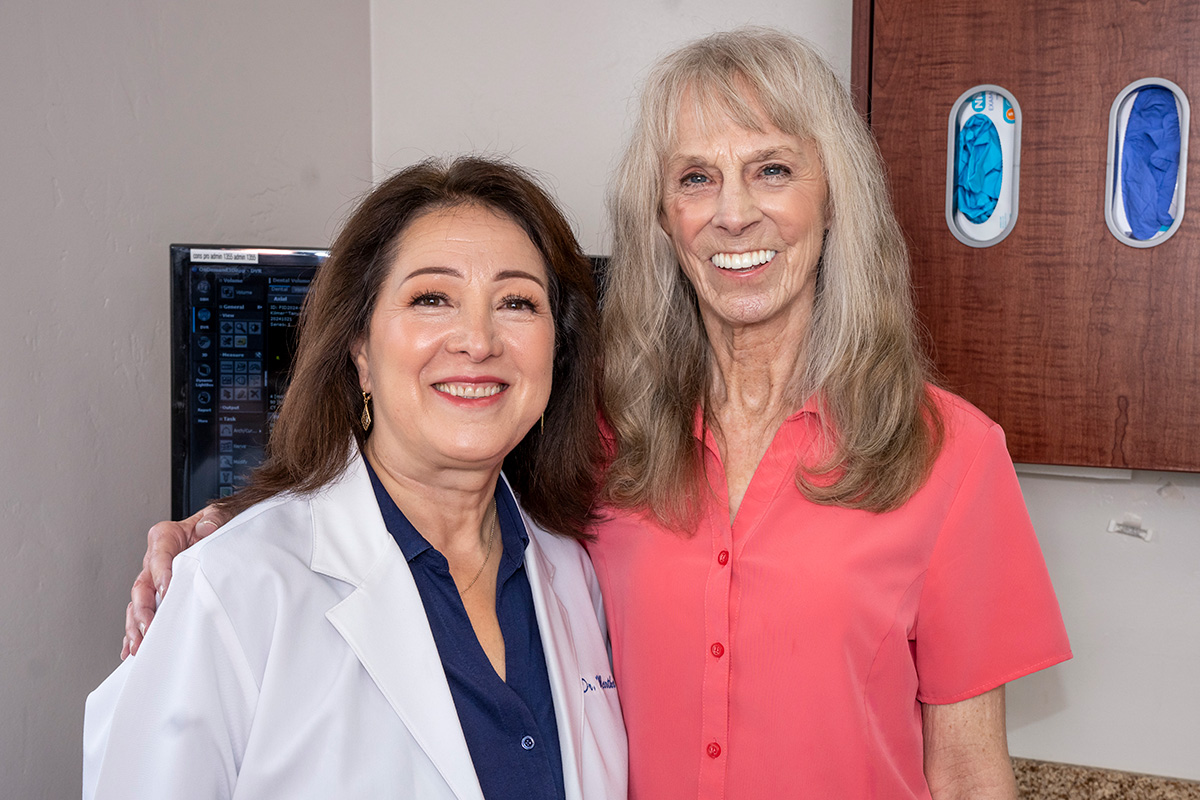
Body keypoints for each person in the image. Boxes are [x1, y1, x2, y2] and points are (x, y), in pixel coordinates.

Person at [123, 28, 1071, 800]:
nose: (733, 214)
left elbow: (969, 773)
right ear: (662, 216)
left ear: (835, 200)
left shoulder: (949, 454)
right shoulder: (596, 432)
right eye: (696, 177)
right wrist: (227, 532)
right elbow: (424, 489)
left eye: (773, 170)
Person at [86, 157, 627, 799]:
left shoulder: (571, 573)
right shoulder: (233, 588)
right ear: (360, 350)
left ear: (556, 351)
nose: (478, 340)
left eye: (517, 302)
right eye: (432, 298)